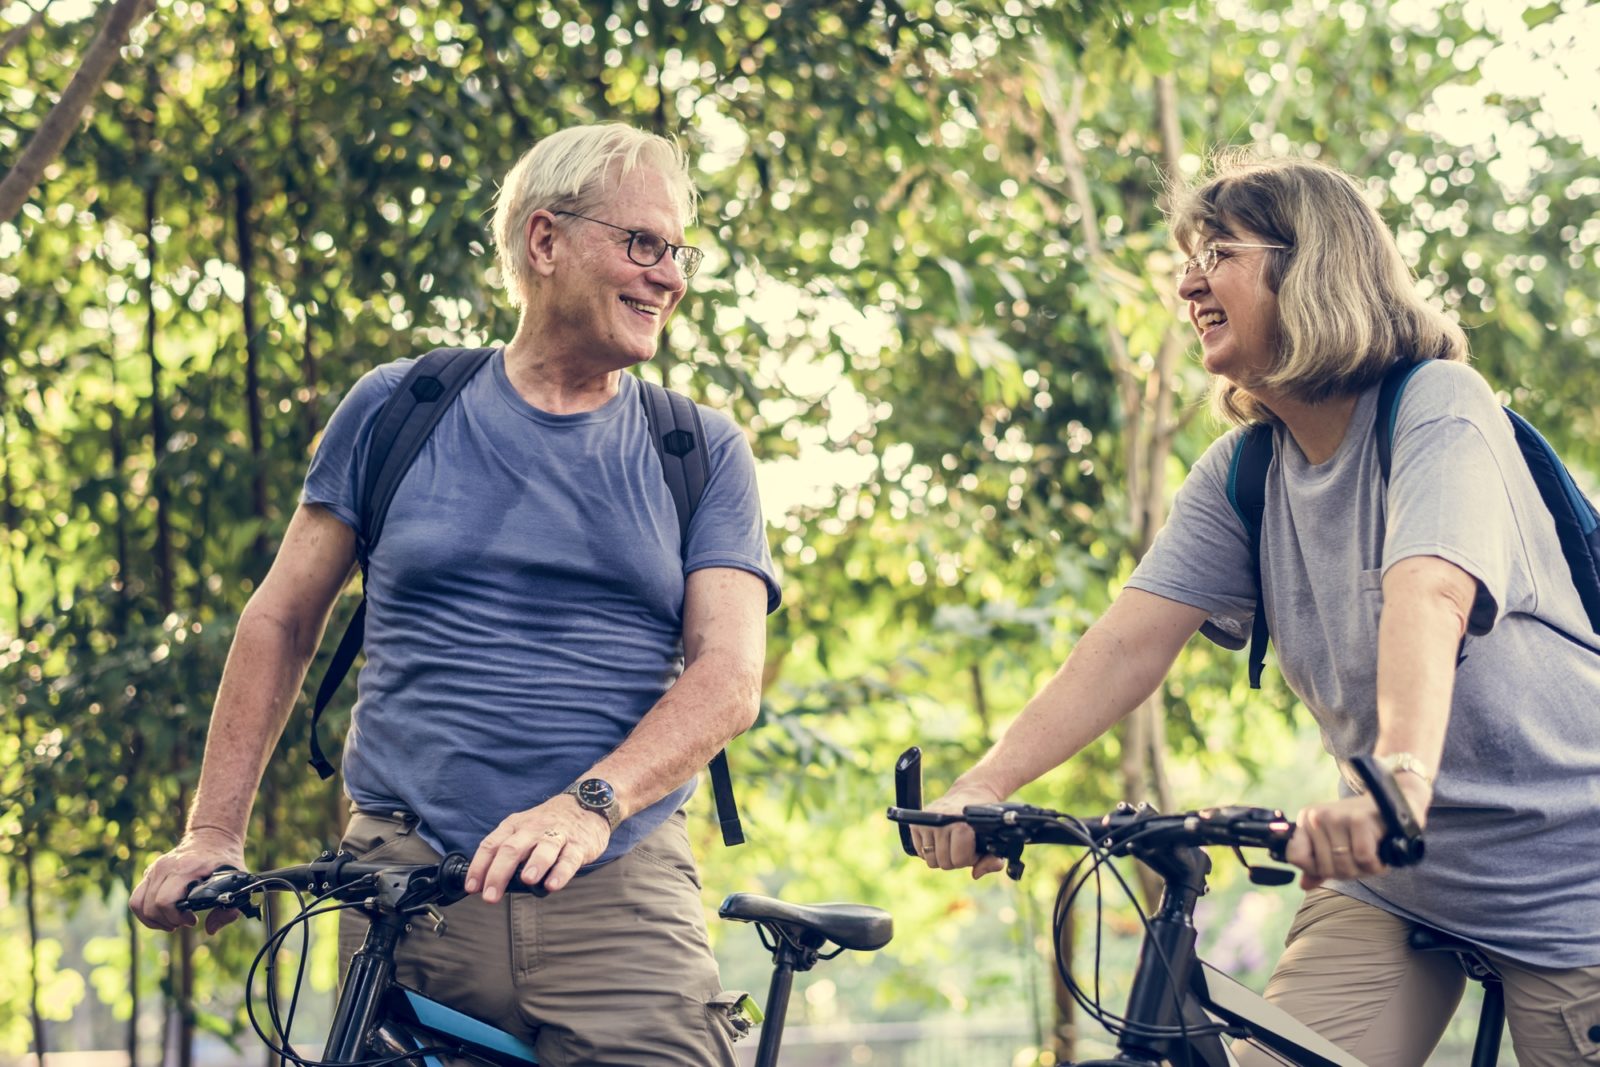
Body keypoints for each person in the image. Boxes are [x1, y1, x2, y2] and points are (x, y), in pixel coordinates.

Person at [913, 155, 1600, 1067]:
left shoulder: (1439, 403)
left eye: (1219, 253)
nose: (1188, 282)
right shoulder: (1246, 473)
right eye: (1188, 260)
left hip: (1569, 880)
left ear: (1311, 265)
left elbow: (1428, 589)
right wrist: (985, 785)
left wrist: (1395, 777)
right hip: (1393, 879)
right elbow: (1125, 645)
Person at [129, 122, 780, 1066]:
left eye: (679, 251)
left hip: (618, 895)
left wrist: (587, 805)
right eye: (643, 243)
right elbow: (282, 617)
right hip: (406, 894)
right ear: (545, 240)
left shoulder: (699, 450)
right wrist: (212, 832)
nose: (670, 275)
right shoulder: (399, 407)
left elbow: (728, 677)